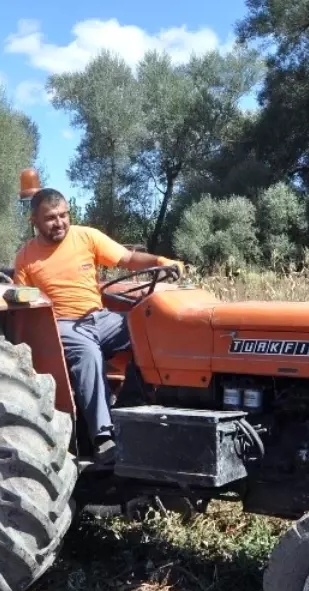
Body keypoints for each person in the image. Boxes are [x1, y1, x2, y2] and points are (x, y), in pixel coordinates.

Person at [12, 188, 184, 464]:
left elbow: (127, 259)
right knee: (87, 354)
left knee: (148, 331)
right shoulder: (26, 257)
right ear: (35, 220)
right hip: (63, 325)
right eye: (51, 218)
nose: (60, 223)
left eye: (64, 215)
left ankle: (151, 409)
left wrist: (159, 261)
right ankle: (103, 437)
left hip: (100, 318)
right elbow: (22, 305)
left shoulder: (86, 236)